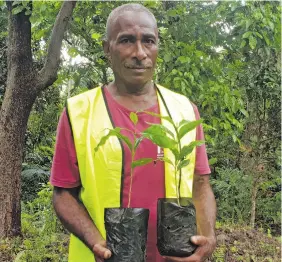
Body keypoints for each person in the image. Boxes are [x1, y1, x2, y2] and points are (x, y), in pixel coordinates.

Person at [51, 3, 216, 262]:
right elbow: (63, 193)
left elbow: (201, 184)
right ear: (107, 49)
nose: (140, 53)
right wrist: (96, 242)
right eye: (127, 40)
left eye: (148, 41)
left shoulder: (184, 109)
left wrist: (208, 237)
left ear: (157, 47)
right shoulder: (79, 112)